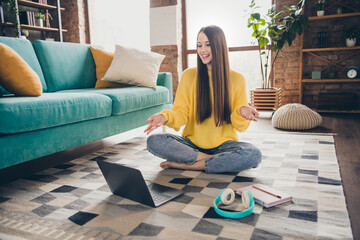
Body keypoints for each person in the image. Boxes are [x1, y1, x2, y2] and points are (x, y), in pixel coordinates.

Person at [144, 25, 262, 174]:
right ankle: (214, 160)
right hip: (191, 145)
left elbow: (240, 126)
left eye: (207, 45)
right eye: (199, 45)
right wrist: (164, 116)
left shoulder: (237, 79)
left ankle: (189, 165)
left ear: (219, 46)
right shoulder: (189, 75)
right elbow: (181, 113)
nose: (202, 50)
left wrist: (241, 111)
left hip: (224, 145)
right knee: (154, 141)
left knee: (254, 154)